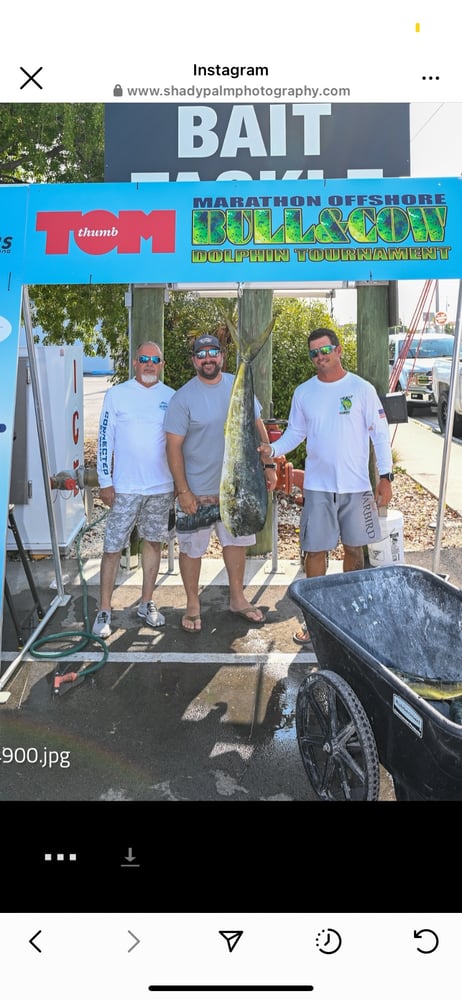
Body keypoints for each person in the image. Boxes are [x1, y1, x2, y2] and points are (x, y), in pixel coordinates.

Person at [259, 327, 394, 646]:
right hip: (318, 489)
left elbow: (379, 434)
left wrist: (385, 477)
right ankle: (314, 619)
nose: (320, 357)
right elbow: (295, 433)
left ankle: (351, 615)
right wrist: (273, 450)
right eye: (314, 353)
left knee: (353, 552)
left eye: (325, 350)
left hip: (357, 487)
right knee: (315, 552)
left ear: (339, 349)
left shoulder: (362, 389)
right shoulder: (304, 392)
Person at [164, 333, 277, 633]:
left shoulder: (236, 385)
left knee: (236, 543)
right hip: (197, 493)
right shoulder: (182, 398)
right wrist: (183, 491)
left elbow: (256, 426)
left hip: (237, 488)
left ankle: (238, 599)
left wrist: (268, 466)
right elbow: (173, 447)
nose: (208, 359)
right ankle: (192, 604)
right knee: (191, 550)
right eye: (201, 355)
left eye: (213, 352)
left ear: (222, 357)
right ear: (193, 361)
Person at [92, 341, 175, 638]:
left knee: (154, 544)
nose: (150, 364)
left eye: (155, 359)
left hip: (161, 488)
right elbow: (105, 439)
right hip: (124, 488)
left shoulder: (172, 397)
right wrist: (105, 481)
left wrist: (180, 483)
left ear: (162, 364)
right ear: (135, 363)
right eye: (144, 359)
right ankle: (104, 608)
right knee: (113, 547)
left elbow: (179, 444)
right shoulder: (117, 395)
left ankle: (146, 602)